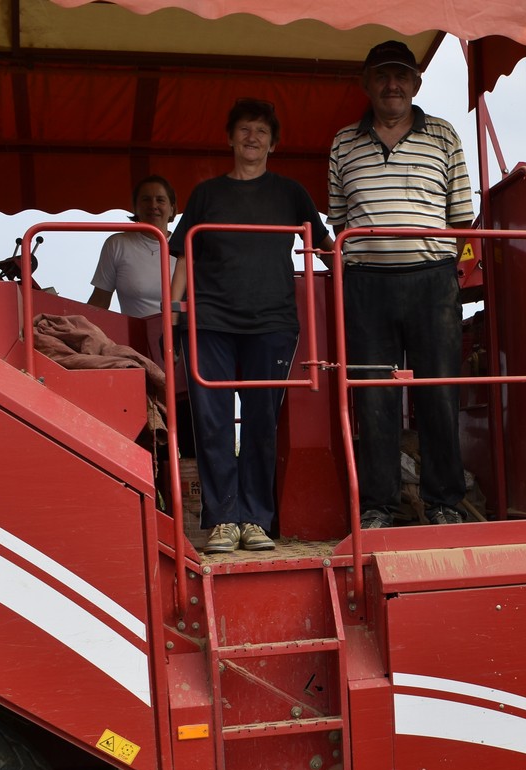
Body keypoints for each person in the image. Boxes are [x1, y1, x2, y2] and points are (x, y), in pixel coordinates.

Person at [171, 98, 331, 553]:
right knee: (213, 421)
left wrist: (354, 257)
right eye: (244, 129)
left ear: (273, 144)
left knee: (261, 421)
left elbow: (326, 245)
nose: (252, 137)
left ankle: (256, 521)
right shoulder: (207, 194)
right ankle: (223, 520)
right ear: (230, 138)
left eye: (261, 131)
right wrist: (174, 305)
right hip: (211, 321)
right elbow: (185, 253)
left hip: (272, 322)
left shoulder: (291, 193)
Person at [327, 40, 474, 529]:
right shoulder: (343, 142)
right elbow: (339, 221)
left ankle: (445, 503)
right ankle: (378, 507)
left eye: (402, 76)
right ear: (366, 83)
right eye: (383, 76)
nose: (393, 85)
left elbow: (461, 219)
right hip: (366, 286)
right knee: (373, 396)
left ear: (416, 83)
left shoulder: (445, 136)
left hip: (432, 284)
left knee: (439, 393)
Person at [87, 176, 177, 317]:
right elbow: (100, 300)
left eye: (160, 200)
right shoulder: (117, 244)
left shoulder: (187, 247)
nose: (153, 205)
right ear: (135, 207)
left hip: (179, 336)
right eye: (146, 199)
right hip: (134, 337)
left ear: (172, 209)